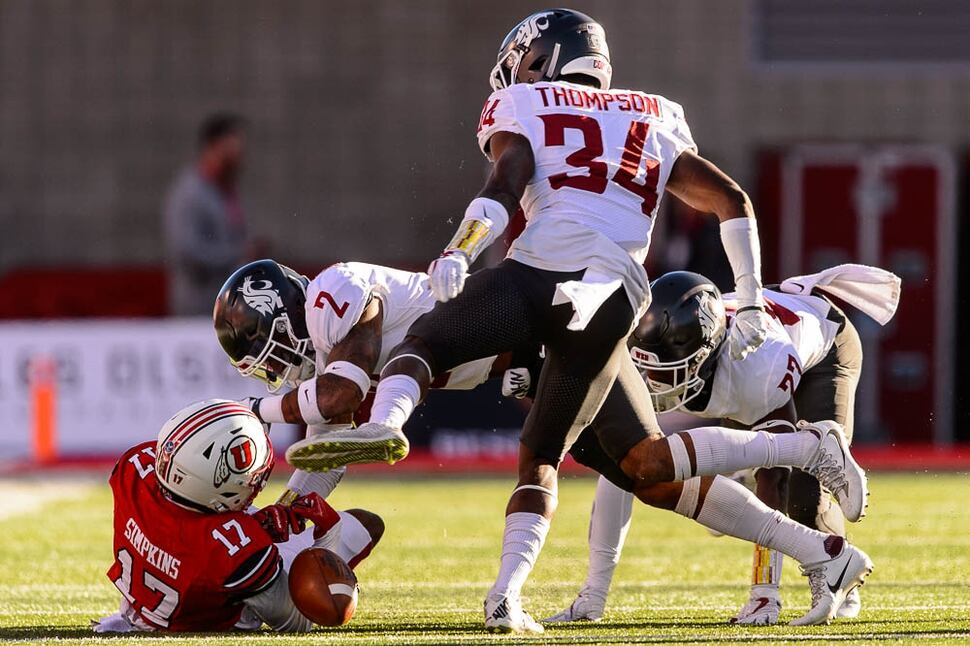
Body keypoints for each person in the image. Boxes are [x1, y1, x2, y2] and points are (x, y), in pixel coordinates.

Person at [286, 9, 872, 631]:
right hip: (609, 298)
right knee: (633, 461)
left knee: (435, 348)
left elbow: (504, 186)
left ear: (547, 58)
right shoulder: (654, 113)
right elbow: (733, 201)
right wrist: (750, 298)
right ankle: (820, 536)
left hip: (539, 274)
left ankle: (392, 428)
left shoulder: (523, 103)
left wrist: (460, 248)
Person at [547, 265, 900, 625]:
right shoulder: (658, 352)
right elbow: (620, 470)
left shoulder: (759, 369)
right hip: (747, 363)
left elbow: (774, 476)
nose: (655, 381)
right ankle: (593, 596)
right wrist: (596, 592)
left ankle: (839, 574)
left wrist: (764, 593)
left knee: (802, 494)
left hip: (824, 349)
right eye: (650, 368)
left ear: (705, 353)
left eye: (668, 369)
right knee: (626, 459)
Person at [213, 259, 541, 468]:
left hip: (526, 321)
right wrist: (289, 509)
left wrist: (252, 411)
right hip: (519, 359)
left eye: (272, 357)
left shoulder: (330, 293)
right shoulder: (328, 362)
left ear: (280, 321)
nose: (276, 369)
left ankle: (385, 426)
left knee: (554, 456)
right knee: (573, 452)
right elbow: (324, 458)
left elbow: (340, 395)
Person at [94, 399, 383, 633]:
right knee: (366, 525)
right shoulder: (237, 551)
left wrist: (254, 527)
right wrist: (327, 537)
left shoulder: (136, 466)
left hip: (148, 600)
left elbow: (185, 531)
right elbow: (295, 621)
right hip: (205, 612)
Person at [164, 112, 251, 316]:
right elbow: (188, 252)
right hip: (199, 308)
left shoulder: (227, 191)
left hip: (229, 308)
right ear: (213, 146)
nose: (239, 156)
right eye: (232, 148)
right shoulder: (190, 194)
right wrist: (239, 255)